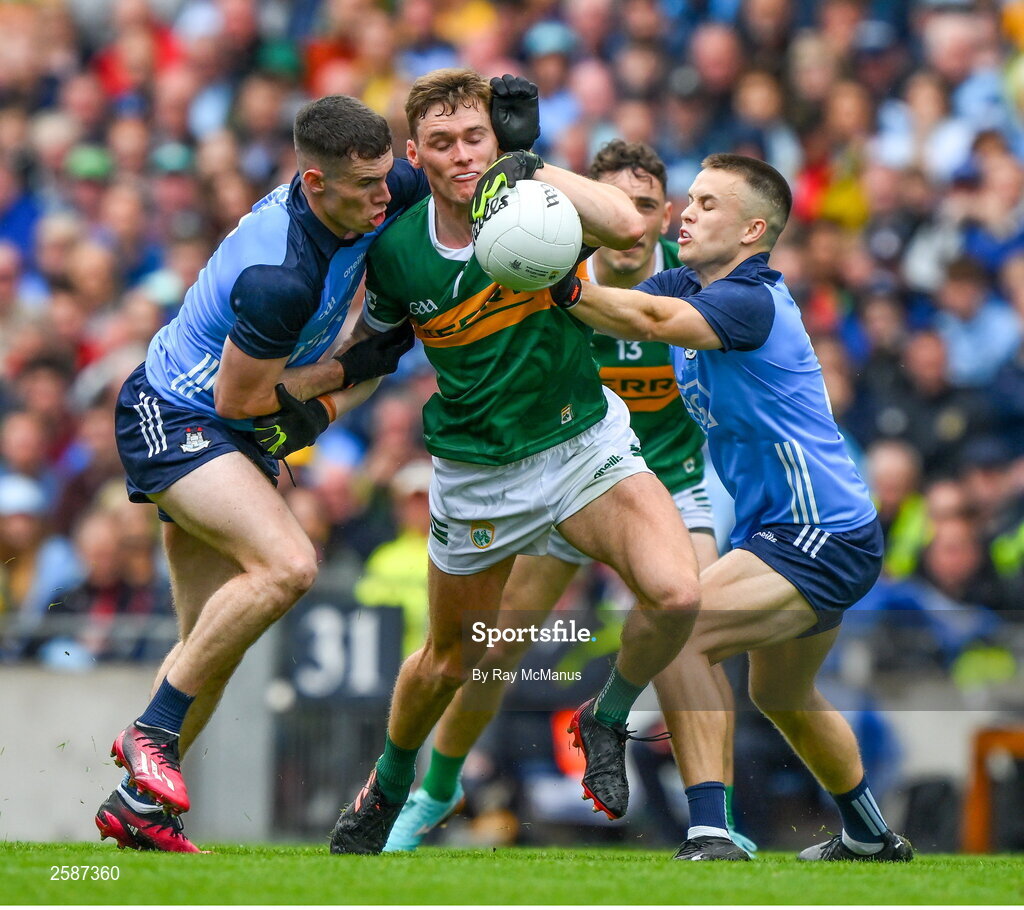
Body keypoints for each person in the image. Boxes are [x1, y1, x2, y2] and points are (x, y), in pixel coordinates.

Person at [93, 91, 497, 853]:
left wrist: (504, 131)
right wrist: (344, 369)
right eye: (366, 186)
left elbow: (453, 174)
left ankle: (135, 811)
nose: (386, 196)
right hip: (179, 417)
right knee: (287, 567)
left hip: (225, 426)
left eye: (386, 177)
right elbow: (241, 399)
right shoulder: (280, 273)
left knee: (209, 641)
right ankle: (149, 732)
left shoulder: (378, 188)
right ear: (314, 184)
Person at [328, 69, 701, 855]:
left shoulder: (538, 201)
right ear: (414, 153)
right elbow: (374, 355)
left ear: (495, 139)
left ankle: (606, 718)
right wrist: (313, 412)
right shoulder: (397, 252)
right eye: (442, 143)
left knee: (675, 596)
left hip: (583, 445)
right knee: (451, 661)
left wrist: (531, 161)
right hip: (479, 471)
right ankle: (391, 787)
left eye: (475, 137)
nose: (462, 154)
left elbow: (629, 228)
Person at [383, 139, 755, 855]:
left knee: (691, 622)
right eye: (615, 202)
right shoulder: (537, 263)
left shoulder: (695, 281)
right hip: (561, 479)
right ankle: (437, 790)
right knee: (492, 649)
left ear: (662, 214)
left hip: (668, 481)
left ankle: (712, 820)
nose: (631, 220)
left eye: (646, 206)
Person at [549, 152, 913, 862]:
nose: (686, 213)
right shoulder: (692, 281)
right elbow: (619, 315)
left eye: (707, 205)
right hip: (788, 531)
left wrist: (552, 288)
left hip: (818, 533)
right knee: (785, 697)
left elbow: (648, 317)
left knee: (681, 626)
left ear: (753, 230)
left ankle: (692, 810)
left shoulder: (749, 300)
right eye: (688, 201)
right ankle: (870, 835)